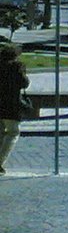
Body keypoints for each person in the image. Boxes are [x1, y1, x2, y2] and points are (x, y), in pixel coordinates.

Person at [0, 44, 29, 174]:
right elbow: (25, 84)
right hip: (11, 106)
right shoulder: (17, 67)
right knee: (13, 133)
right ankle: (0, 161)